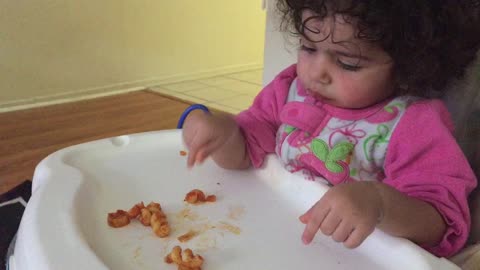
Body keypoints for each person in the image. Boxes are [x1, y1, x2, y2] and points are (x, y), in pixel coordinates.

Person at [182, 0, 480, 257]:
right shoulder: (288, 90)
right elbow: (245, 152)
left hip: (359, 255)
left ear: (408, 66)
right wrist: (222, 135)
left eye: (348, 63)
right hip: (278, 238)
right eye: (308, 47)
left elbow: (441, 222)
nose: (316, 72)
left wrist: (378, 203)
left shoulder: (414, 123)